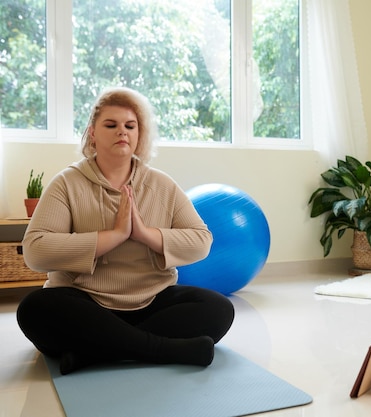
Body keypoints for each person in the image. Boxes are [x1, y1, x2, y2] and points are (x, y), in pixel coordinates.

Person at [17, 87, 234, 375]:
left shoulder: (161, 184)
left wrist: (144, 234)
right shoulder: (67, 183)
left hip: (152, 301)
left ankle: (94, 354)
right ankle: (161, 349)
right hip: (86, 304)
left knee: (219, 309)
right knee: (35, 309)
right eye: (111, 125)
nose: (122, 131)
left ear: (139, 134)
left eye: (130, 126)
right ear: (92, 133)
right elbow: (35, 251)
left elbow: (201, 241)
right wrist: (114, 236)